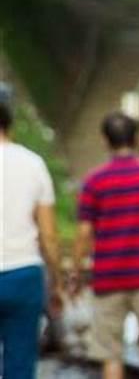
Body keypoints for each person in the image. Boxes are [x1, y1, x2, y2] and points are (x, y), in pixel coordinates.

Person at [72, 112, 139, 379]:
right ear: (138, 138)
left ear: (105, 141)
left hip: (108, 276)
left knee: (110, 350)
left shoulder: (94, 182)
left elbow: (84, 232)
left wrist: (78, 270)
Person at [0, 101, 63, 379]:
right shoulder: (32, 163)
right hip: (23, 273)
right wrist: (57, 281)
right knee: (21, 362)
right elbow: (48, 235)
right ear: (9, 123)